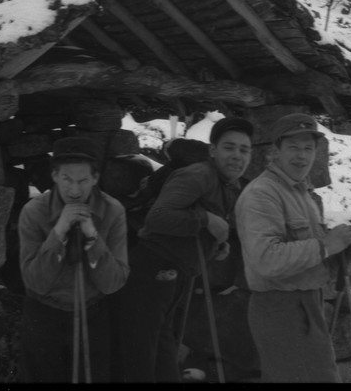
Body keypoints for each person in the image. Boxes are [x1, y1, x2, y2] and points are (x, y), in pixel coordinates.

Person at [116, 116, 254, 382]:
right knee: (141, 358)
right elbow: (158, 217)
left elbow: (188, 227)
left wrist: (213, 245)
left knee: (163, 358)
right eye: (229, 147)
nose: (237, 155)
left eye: (244, 149)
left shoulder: (226, 184)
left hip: (175, 278)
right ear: (213, 151)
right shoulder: (198, 175)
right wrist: (205, 220)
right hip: (152, 273)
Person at [235, 113, 351, 383]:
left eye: (308, 148)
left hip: (306, 305)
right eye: (293, 147)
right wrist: (325, 246)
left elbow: (307, 246)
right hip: (281, 308)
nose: (301, 156)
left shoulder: (300, 193)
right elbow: (266, 259)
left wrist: (340, 249)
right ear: (275, 151)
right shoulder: (262, 194)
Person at [18, 136, 129, 382]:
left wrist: (92, 236)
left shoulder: (112, 211)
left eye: (83, 181)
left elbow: (114, 283)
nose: (75, 190)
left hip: (93, 314)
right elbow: (35, 281)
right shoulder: (33, 212)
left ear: (96, 178)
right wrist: (59, 231)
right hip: (44, 314)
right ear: (55, 176)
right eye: (67, 179)